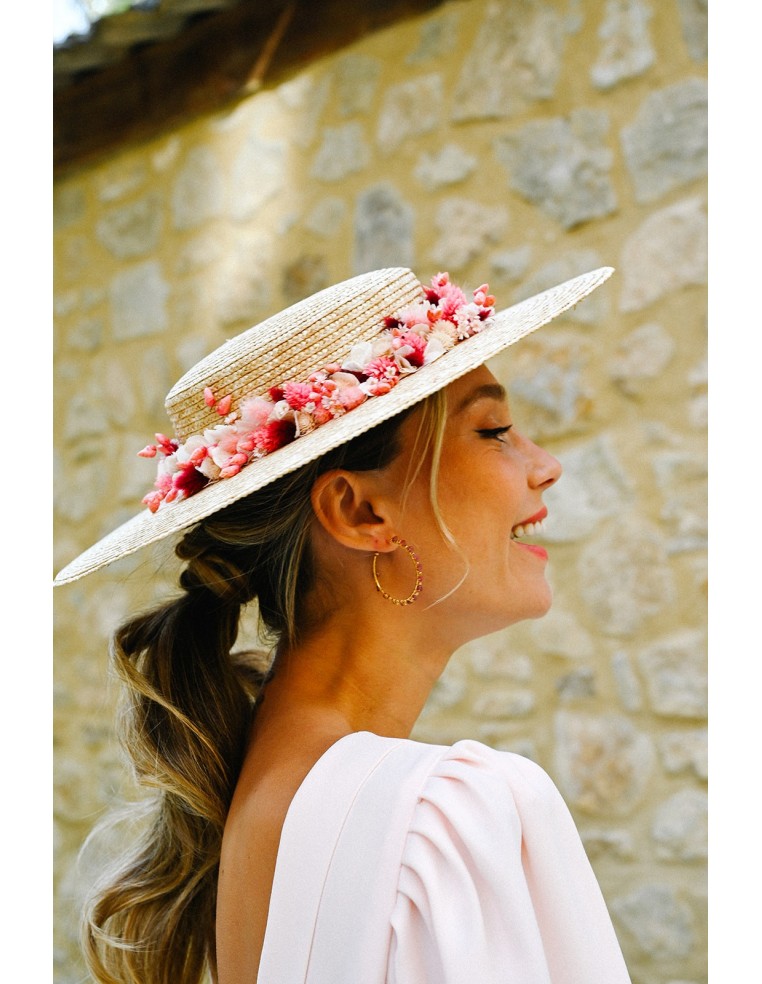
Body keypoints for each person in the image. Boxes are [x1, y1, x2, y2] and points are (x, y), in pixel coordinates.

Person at [55, 265, 632, 984]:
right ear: (362, 514)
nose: (545, 467)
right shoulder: (444, 818)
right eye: (496, 430)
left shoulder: (259, 801)